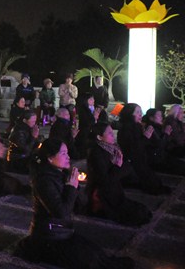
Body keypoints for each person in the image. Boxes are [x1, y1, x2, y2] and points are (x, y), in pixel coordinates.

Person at [15, 139, 133, 269]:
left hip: (63, 231)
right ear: (50, 158)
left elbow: (77, 206)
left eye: (67, 153)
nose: (68, 157)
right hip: (49, 236)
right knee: (89, 262)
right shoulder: (43, 181)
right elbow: (61, 213)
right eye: (63, 153)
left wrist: (75, 187)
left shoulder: (61, 174)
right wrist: (71, 188)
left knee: (95, 252)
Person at [86, 122, 152, 226]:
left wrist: (121, 166)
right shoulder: (97, 153)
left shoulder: (112, 148)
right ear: (99, 137)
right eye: (109, 133)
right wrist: (118, 166)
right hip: (103, 194)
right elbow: (105, 180)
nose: (113, 135)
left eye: (112, 132)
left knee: (143, 210)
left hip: (114, 190)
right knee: (135, 215)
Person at [117, 103, 170, 195]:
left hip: (141, 159)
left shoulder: (137, 126)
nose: (140, 114)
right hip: (132, 162)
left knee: (156, 181)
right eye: (137, 112)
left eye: (140, 112)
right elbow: (132, 149)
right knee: (152, 185)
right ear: (129, 114)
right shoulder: (125, 129)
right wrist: (145, 137)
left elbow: (152, 145)